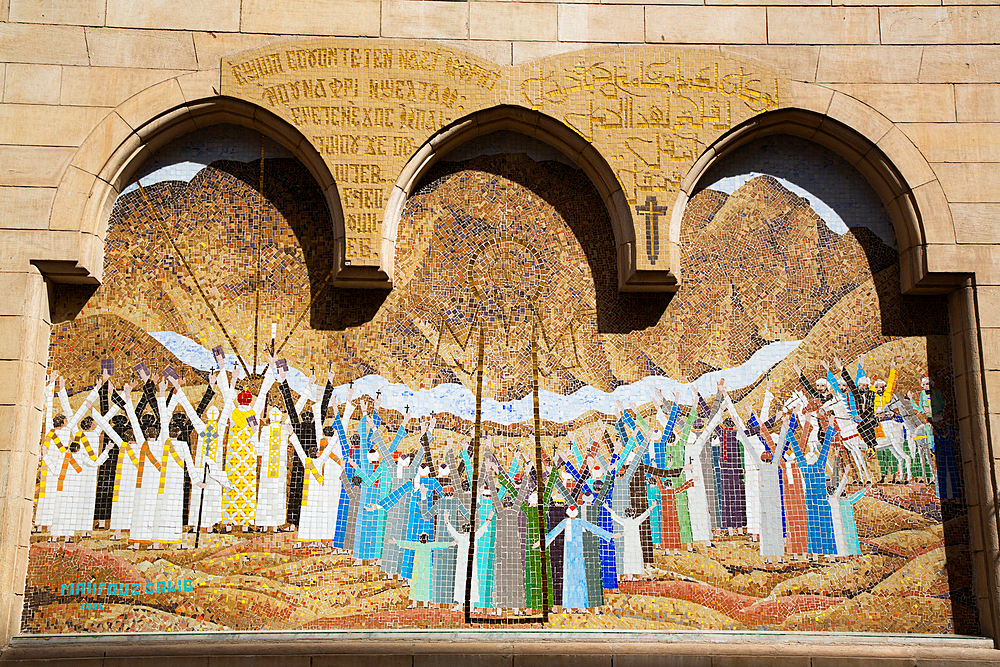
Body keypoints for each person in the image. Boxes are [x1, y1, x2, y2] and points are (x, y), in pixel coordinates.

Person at [391, 533, 454, 608]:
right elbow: (439, 545)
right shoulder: (427, 545)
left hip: (421, 568)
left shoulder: (418, 545)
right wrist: (450, 544)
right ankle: (423, 604)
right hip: (422, 568)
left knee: (419, 584)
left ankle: (418, 604)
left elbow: (407, 544)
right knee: (422, 585)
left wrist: (396, 542)